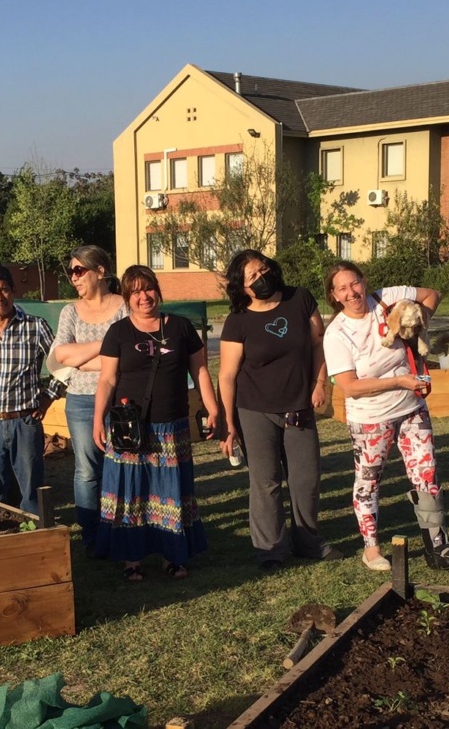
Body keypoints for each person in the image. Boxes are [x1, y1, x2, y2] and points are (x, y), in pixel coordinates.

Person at [322, 262, 449, 572]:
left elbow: (432, 294)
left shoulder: (385, 299)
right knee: (369, 480)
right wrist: (398, 381)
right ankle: (371, 548)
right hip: (370, 418)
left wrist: (420, 323)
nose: (352, 292)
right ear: (334, 295)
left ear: (364, 281)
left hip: (411, 407)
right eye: (343, 288)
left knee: (427, 474)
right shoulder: (336, 334)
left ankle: (437, 546)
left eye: (355, 283)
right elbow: (350, 387)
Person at [92, 265, 218, 581]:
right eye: (135, 291)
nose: (143, 296)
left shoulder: (180, 327)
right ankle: (131, 560)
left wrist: (213, 408)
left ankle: (172, 557)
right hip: (127, 428)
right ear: (126, 297)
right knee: (130, 491)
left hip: (171, 425)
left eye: (147, 289)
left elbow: (200, 371)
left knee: (169, 492)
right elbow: (107, 379)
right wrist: (98, 419)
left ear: (157, 290)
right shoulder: (118, 332)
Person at [219, 250, 342, 571]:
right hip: (255, 409)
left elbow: (319, 342)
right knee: (266, 481)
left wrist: (320, 384)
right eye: (252, 277)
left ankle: (308, 541)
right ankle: (270, 549)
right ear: (241, 288)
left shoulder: (299, 298)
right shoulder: (238, 320)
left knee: (305, 478)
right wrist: (228, 423)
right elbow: (228, 374)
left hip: (299, 404)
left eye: (264, 270)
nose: (262, 278)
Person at [0, 265, 60, 514]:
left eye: (4, 289)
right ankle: (0, 539)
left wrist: (49, 396)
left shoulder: (36, 327)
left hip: (25, 422)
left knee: (31, 488)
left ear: (13, 291)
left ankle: (34, 538)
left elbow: (63, 363)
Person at [50, 245, 127, 555]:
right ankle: (92, 537)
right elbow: (60, 356)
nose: (74, 277)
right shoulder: (70, 311)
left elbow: (127, 356)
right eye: (71, 272)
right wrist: (107, 345)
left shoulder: (125, 307)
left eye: (79, 270)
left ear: (101, 271)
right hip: (81, 400)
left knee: (120, 466)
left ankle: (121, 530)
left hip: (120, 400)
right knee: (86, 470)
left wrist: (84, 356)